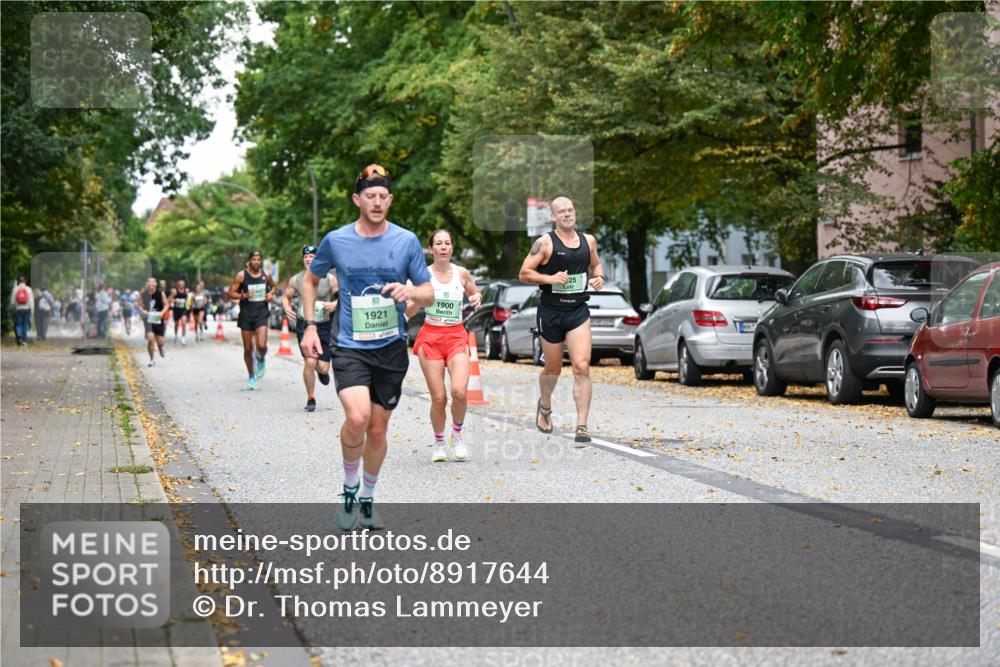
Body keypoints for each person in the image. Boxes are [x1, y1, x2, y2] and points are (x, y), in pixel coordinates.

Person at [300, 164, 434, 530]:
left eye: (382, 197)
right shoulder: (337, 241)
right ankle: (348, 488)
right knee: (357, 418)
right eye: (369, 196)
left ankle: (368, 497)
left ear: (390, 201)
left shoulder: (405, 241)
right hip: (349, 345)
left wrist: (412, 293)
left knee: (377, 429)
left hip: (390, 347)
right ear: (357, 199)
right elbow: (311, 281)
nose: (376, 202)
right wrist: (311, 325)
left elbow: (429, 292)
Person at [519, 196, 605, 445]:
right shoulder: (544, 243)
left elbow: (597, 266)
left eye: (570, 210)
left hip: (578, 311)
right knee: (553, 369)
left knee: (582, 366)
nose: (567, 214)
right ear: (553, 217)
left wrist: (599, 277)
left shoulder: (588, 241)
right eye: (562, 211)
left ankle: (582, 425)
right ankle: (545, 406)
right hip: (551, 312)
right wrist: (550, 279)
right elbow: (524, 273)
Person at [406, 230, 482, 462]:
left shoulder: (462, 273)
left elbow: (474, 291)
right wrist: (417, 299)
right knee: (438, 398)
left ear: (451, 248)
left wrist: (477, 297)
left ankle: (456, 437)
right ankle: (439, 442)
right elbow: (408, 311)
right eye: (438, 243)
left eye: (447, 243)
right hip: (431, 337)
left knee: (459, 392)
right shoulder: (422, 276)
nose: (443, 247)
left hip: (457, 335)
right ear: (431, 249)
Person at [282, 245, 339, 412]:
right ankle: (311, 397)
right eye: (306, 257)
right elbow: (286, 297)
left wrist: (334, 304)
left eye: (312, 257)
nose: (308, 259)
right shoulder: (296, 279)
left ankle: (321, 372)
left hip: (324, 325)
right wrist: (286, 307)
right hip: (305, 325)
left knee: (322, 367)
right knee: (310, 361)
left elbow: (341, 298)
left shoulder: (330, 279)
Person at [227, 251, 275, 390]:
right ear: (249, 261)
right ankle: (251, 376)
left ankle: (261, 359)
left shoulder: (266, 275)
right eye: (254, 259)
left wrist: (270, 295)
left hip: (261, 313)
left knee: (261, 345)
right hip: (246, 315)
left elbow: (273, 287)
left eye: (259, 259)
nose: (256, 262)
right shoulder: (242, 275)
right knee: (248, 348)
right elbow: (230, 292)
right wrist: (245, 295)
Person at [137, 277, 169, 366]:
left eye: (153, 282)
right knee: (150, 338)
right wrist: (143, 311)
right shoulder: (143, 294)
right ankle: (152, 360)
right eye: (149, 282)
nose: (151, 284)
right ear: (147, 284)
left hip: (158, 319)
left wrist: (162, 313)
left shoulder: (160, 293)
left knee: (160, 341)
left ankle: (161, 348)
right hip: (148, 319)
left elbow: (166, 304)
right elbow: (138, 305)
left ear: (155, 284)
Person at [9, 277, 34, 345]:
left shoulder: (15, 289)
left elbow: (12, 301)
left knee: (18, 324)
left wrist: (13, 308)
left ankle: (19, 336)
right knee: (24, 324)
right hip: (26, 309)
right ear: (25, 281)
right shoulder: (28, 289)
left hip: (18, 309)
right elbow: (31, 301)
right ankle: (24, 341)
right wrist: (32, 310)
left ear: (19, 282)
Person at [170, 279, 190, 345]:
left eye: (182, 284)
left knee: (184, 323)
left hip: (183, 309)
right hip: (176, 309)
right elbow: (170, 299)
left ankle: (183, 338)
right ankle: (176, 335)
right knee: (176, 324)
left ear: (184, 284)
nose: (181, 285)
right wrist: (176, 301)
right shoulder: (175, 291)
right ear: (178, 284)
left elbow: (188, 299)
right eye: (180, 284)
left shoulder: (186, 291)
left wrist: (189, 303)